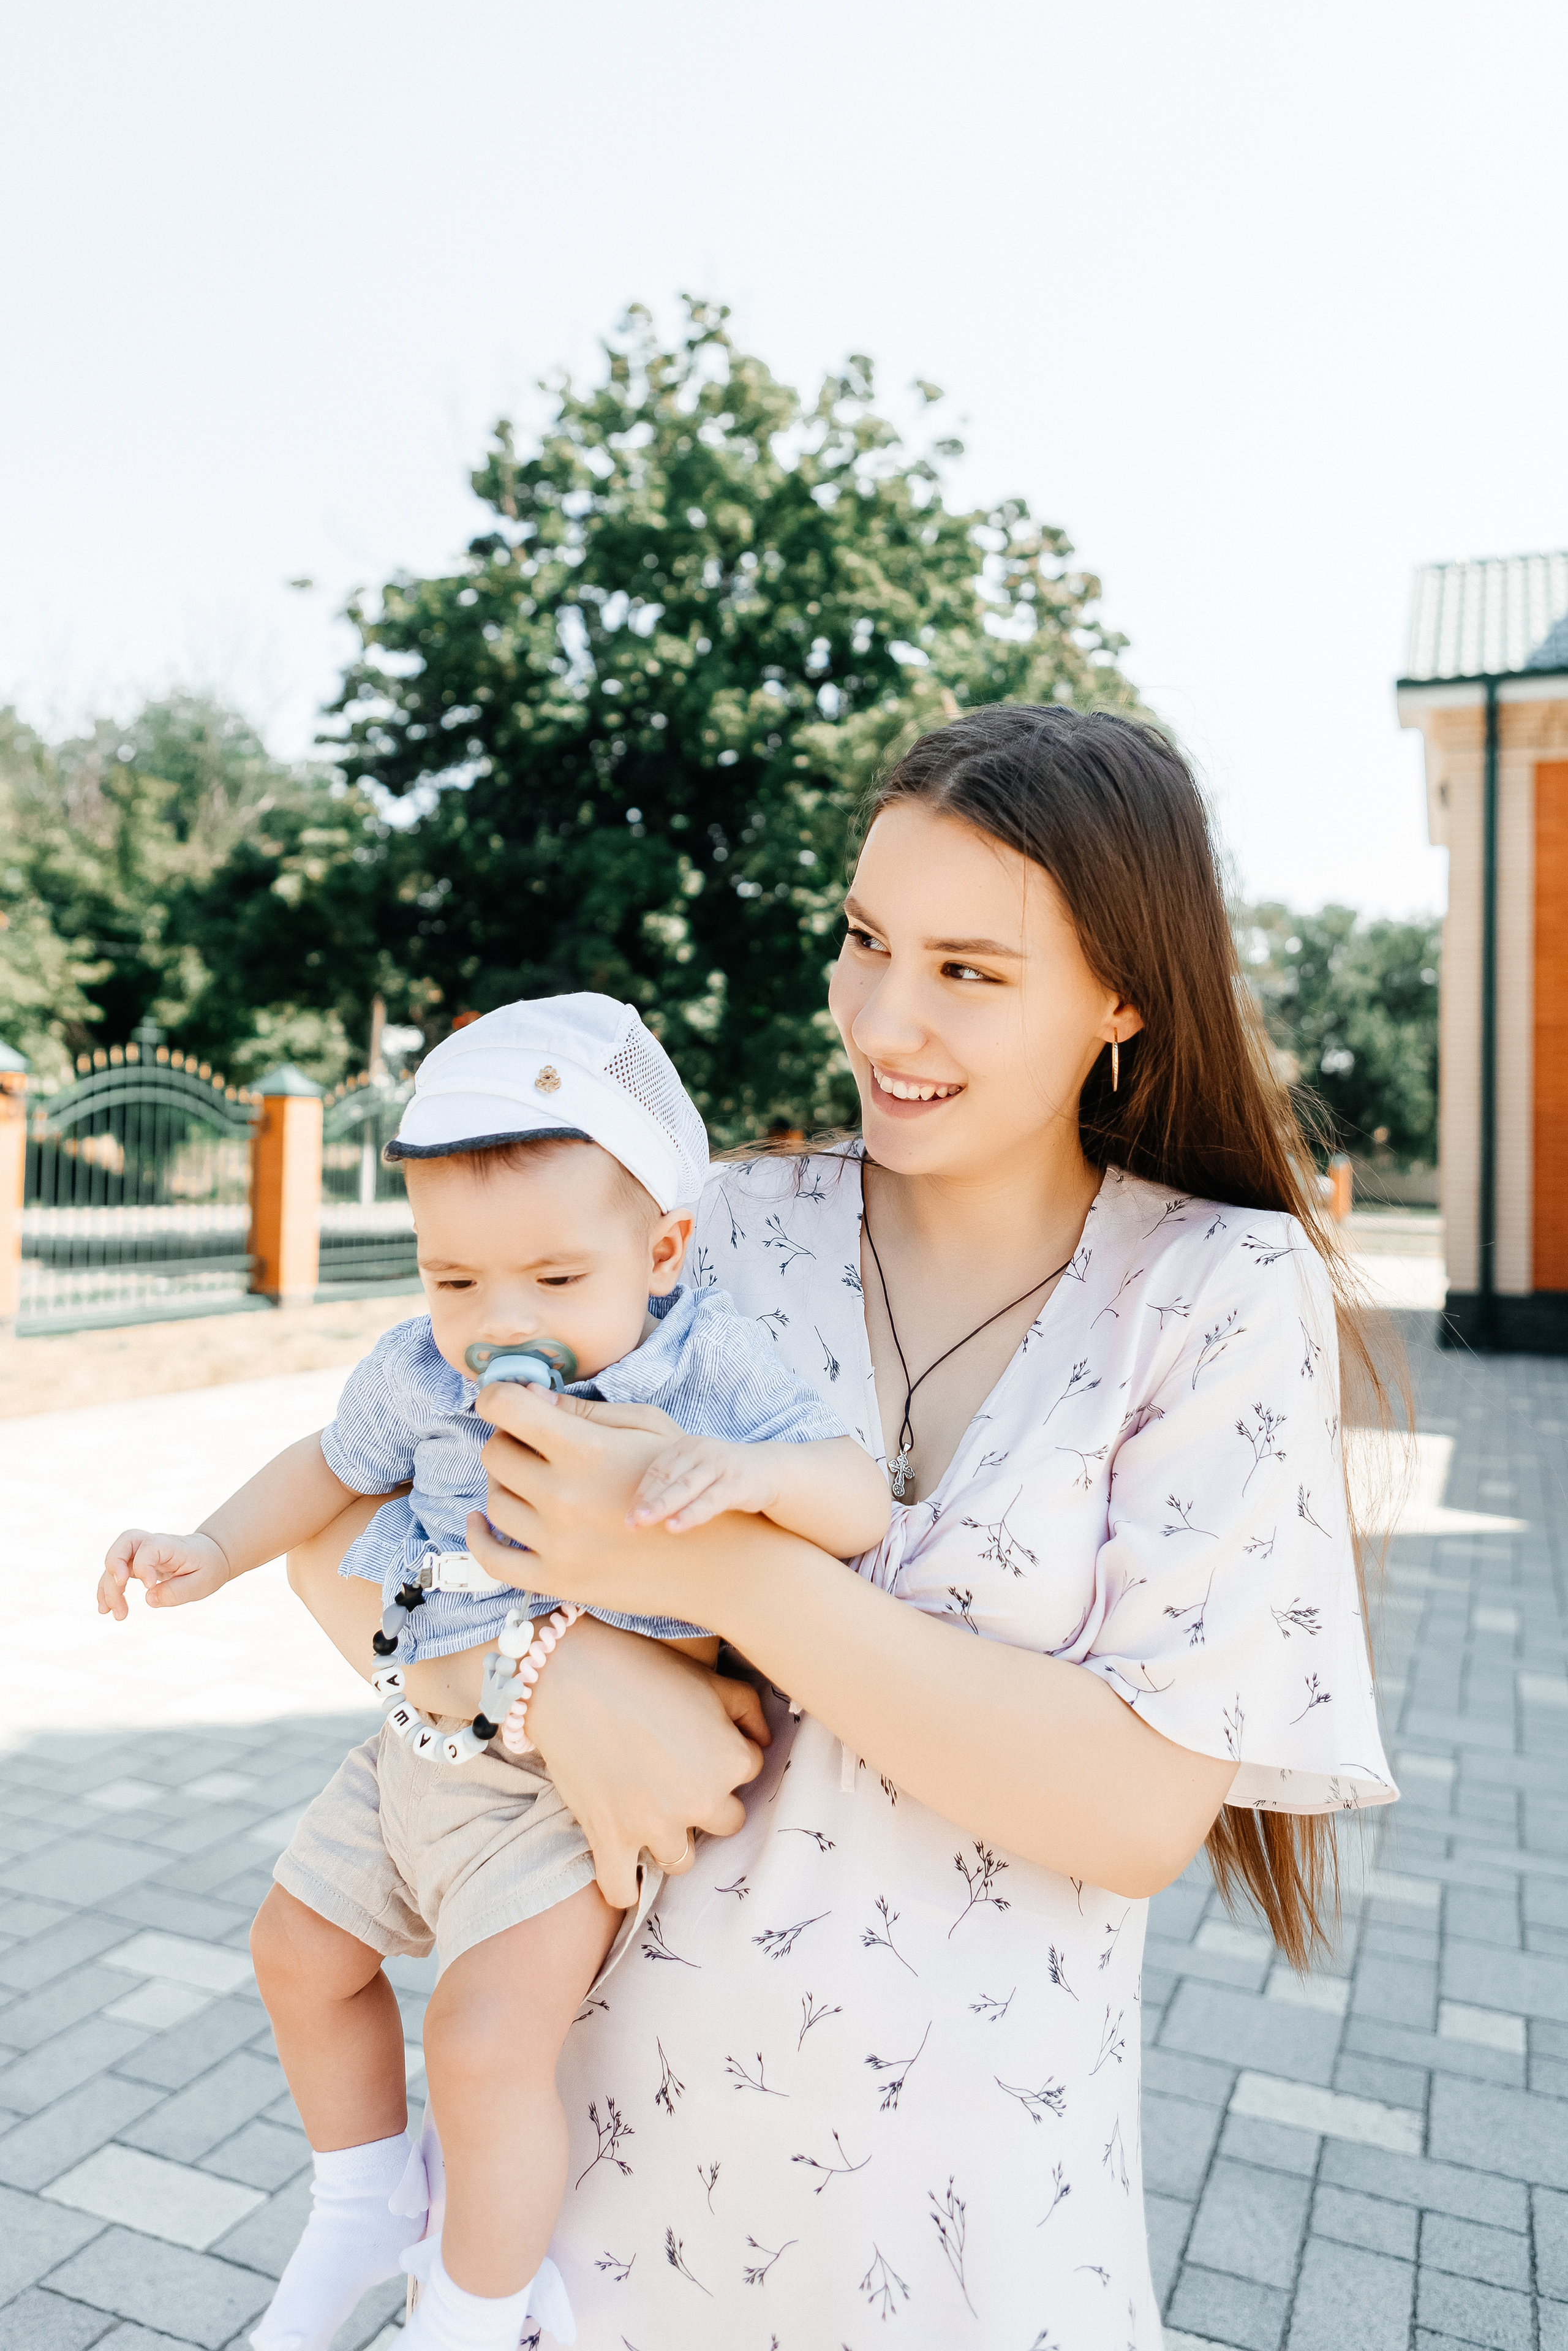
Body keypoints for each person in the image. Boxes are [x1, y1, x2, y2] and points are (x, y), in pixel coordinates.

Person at [287, 703, 1398, 2346]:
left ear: (1123, 998)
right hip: (592, 2202)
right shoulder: (707, 1231)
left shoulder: (1218, 1294)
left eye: (969, 968)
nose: (883, 1016)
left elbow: (1134, 1810)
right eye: (867, 941)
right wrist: (538, 1678)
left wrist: (707, 1562)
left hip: (973, 2228)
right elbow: (342, 1542)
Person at [97, 995, 889, 2351]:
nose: (494, 1322)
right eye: (454, 1280)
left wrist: (752, 1477)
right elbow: (330, 1470)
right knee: (293, 1952)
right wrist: (211, 1547)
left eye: (551, 1282)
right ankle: (356, 2202)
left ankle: (470, 2309)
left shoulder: (704, 1367)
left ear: (661, 1249)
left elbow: (854, 1495)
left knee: (479, 2044)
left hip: (561, 1802)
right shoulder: (422, 1368)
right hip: (421, 1744)